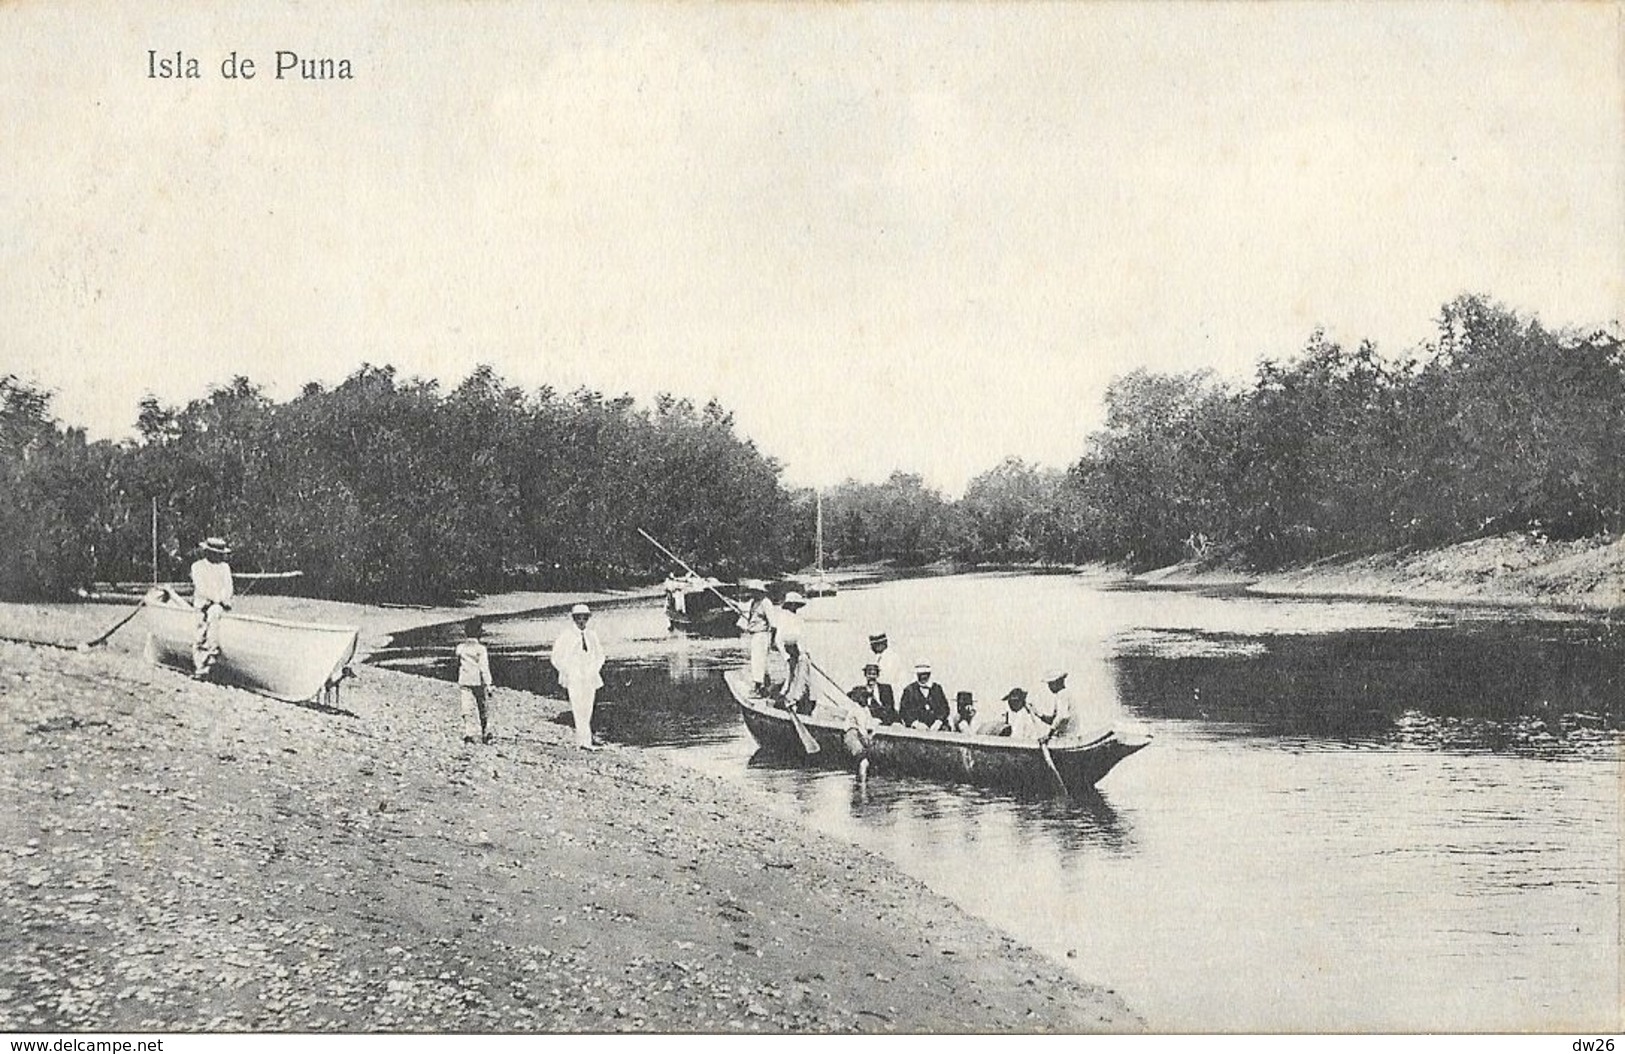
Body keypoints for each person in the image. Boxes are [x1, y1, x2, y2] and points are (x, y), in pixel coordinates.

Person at [551, 602, 606, 750]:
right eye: (579, 618)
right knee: (577, 707)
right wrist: (566, 670)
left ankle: (585, 741)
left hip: (589, 675)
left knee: (588, 707)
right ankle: (583, 742)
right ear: (574, 619)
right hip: (574, 675)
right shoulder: (566, 636)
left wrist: (595, 668)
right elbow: (556, 657)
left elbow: (600, 655)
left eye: (584, 618)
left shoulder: (592, 635)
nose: (582, 621)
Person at [188, 536, 234, 679]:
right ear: (207, 552)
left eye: (220, 554)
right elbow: (201, 588)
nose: (218, 556)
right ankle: (201, 666)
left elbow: (228, 587)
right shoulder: (197, 566)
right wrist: (214, 599)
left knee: (215, 615)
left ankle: (213, 655)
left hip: (219, 606)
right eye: (214, 553)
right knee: (200, 632)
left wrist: (222, 600)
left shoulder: (224, 567)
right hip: (203, 604)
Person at [455, 619, 496, 744]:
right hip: (478, 681)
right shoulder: (481, 649)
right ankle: (485, 731)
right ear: (479, 633)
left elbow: (457, 662)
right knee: (482, 706)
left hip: (464, 680)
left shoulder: (460, 648)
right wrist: (488, 683)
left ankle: (469, 731)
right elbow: (484, 667)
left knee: (466, 706)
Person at [773, 591, 812, 713]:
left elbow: (800, 637)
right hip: (788, 650)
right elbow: (778, 639)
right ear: (789, 605)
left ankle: (799, 699)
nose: (794, 607)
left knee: (803, 674)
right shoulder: (783, 617)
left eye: (796, 605)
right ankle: (786, 699)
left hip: (797, 650)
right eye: (793, 605)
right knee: (790, 675)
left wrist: (803, 652)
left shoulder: (798, 619)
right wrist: (785, 655)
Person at [736, 580, 776, 694]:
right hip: (755, 635)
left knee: (759, 661)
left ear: (760, 591)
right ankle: (764, 687)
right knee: (757, 661)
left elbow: (773, 624)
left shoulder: (766, 603)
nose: (753, 593)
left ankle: (760, 687)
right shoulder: (754, 602)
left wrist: (772, 641)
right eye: (752, 591)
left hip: (762, 635)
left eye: (755, 591)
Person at [897, 662, 951, 731]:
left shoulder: (937, 689)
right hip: (917, 728)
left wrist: (938, 722)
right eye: (921, 675)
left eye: (926, 674)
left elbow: (945, 708)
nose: (923, 677)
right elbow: (904, 711)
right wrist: (916, 724)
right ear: (917, 675)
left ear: (929, 675)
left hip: (938, 727)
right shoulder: (909, 690)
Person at [1034, 669, 1075, 738]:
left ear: (1058, 682)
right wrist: (1038, 714)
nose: (1049, 687)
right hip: (1067, 734)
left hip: (1067, 736)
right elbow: (1054, 720)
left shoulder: (1062, 694)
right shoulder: (1064, 694)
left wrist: (1049, 735)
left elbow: (1061, 717)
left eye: (1050, 684)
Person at [866, 632, 908, 697]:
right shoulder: (879, 658)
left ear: (880, 644)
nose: (871, 648)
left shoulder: (891, 657)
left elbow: (887, 679)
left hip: (891, 693)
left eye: (873, 645)